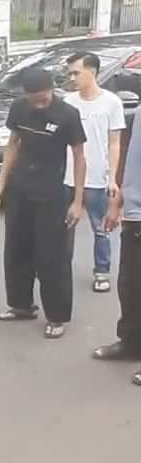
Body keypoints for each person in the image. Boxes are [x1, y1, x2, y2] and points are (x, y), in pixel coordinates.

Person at [0, 68, 87, 339]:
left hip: (51, 193)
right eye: (34, 99)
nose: (40, 104)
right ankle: (21, 306)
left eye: (43, 98)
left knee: (51, 256)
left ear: (52, 90)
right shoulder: (20, 107)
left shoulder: (68, 115)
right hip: (20, 188)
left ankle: (56, 316)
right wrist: (1, 183)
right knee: (16, 248)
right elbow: (13, 144)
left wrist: (78, 201)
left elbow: (79, 157)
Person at [64, 51, 125, 293]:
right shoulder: (68, 103)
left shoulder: (112, 103)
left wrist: (113, 179)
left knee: (101, 229)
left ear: (93, 72)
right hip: (67, 177)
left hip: (97, 179)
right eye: (69, 73)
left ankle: (102, 271)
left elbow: (114, 143)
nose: (72, 78)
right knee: (64, 226)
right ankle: (61, 268)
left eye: (76, 72)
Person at [92, 105, 141, 380]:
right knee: (130, 287)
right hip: (135, 213)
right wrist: (116, 201)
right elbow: (129, 161)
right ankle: (132, 344)